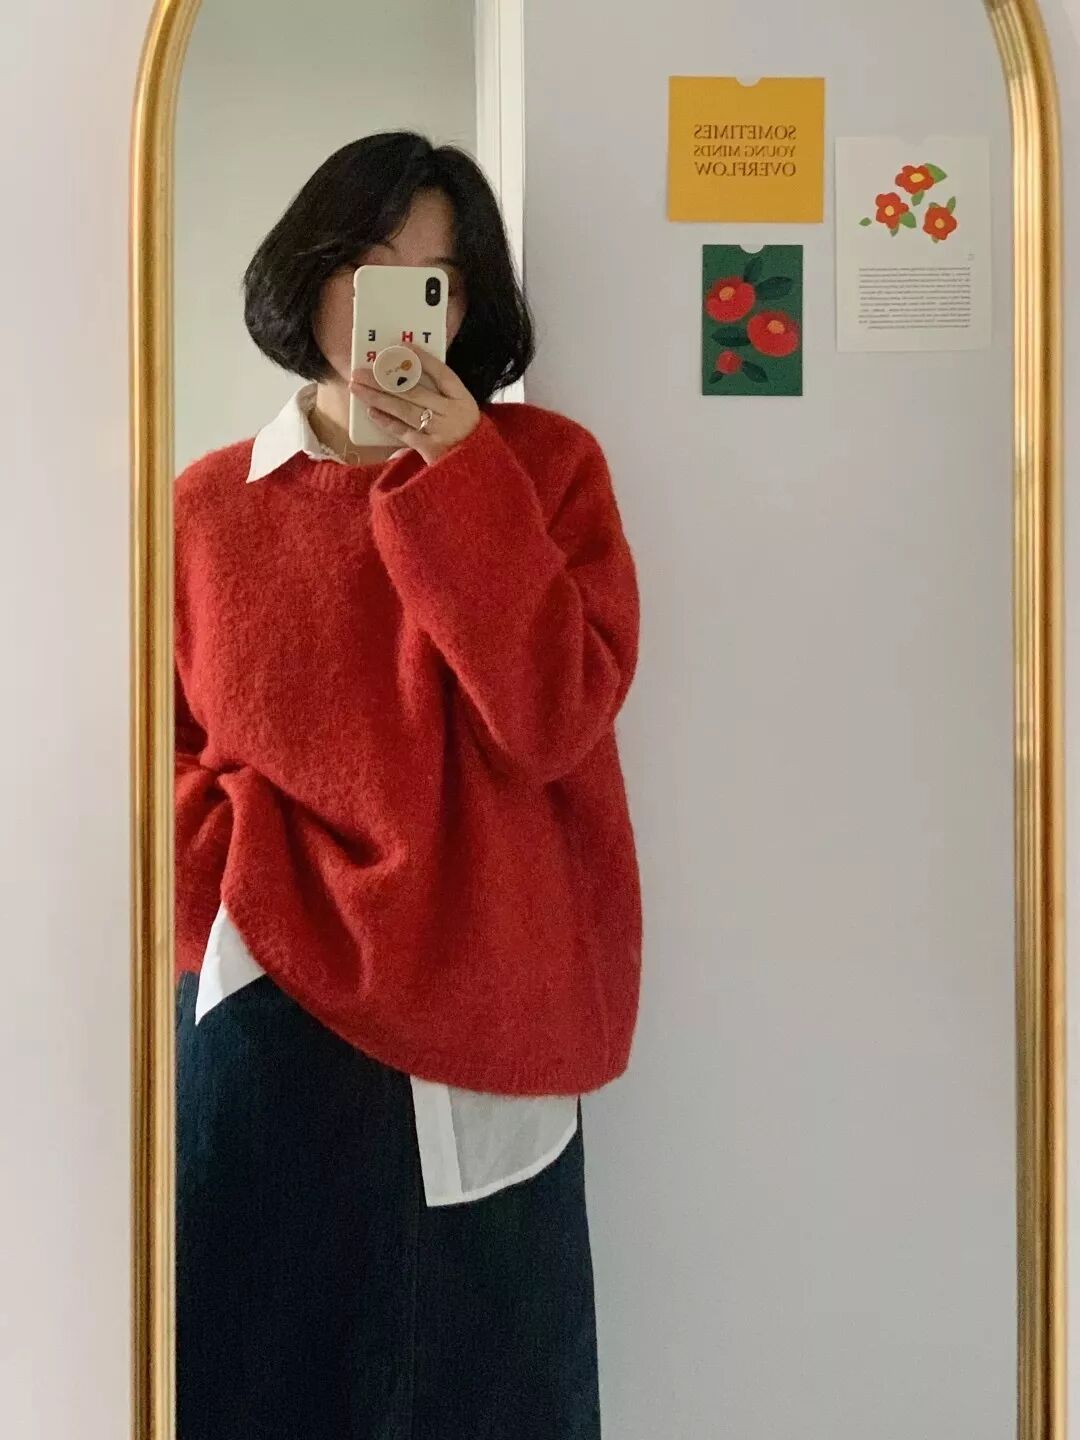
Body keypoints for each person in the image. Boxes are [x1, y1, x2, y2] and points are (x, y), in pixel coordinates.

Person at [174, 130, 641, 1440]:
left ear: (464, 305)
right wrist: (224, 885)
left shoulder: (545, 471)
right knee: (250, 1385)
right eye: (363, 265)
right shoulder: (207, 508)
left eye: (428, 279)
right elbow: (144, 754)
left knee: (492, 1397)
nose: (388, 306)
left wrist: (460, 475)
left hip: (486, 1023)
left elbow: (553, 720)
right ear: (308, 273)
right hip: (268, 1004)